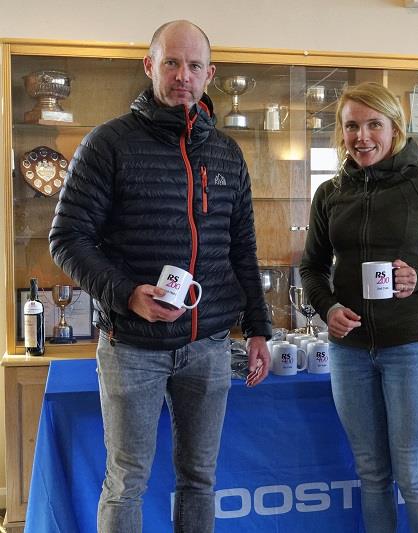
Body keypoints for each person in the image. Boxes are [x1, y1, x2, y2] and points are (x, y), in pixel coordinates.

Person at [49, 20, 271, 532]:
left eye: (194, 66)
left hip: (210, 346)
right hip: (132, 346)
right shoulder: (107, 144)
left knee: (199, 478)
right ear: (149, 66)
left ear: (209, 74)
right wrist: (128, 294)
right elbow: (67, 239)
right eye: (171, 62)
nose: (182, 76)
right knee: (126, 480)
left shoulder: (227, 154)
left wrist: (258, 329)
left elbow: (243, 247)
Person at [299, 81, 418, 532]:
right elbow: (312, 268)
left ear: (395, 128)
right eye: (352, 125)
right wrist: (328, 308)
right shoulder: (330, 193)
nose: (362, 136)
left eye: (373, 124)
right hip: (349, 352)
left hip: (412, 350)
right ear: (341, 132)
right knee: (372, 474)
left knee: (413, 474)